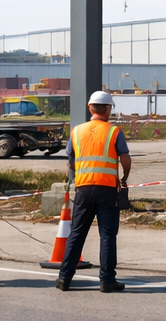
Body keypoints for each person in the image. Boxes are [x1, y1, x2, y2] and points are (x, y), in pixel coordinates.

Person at [56, 90, 132, 292]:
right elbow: (125, 159)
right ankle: (107, 280)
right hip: (107, 190)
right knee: (107, 235)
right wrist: (124, 177)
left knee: (77, 233)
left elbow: (71, 162)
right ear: (108, 109)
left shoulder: (76, 131)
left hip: (83, 189)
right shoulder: (114, 132)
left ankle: (64, 278)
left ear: (90, 108)